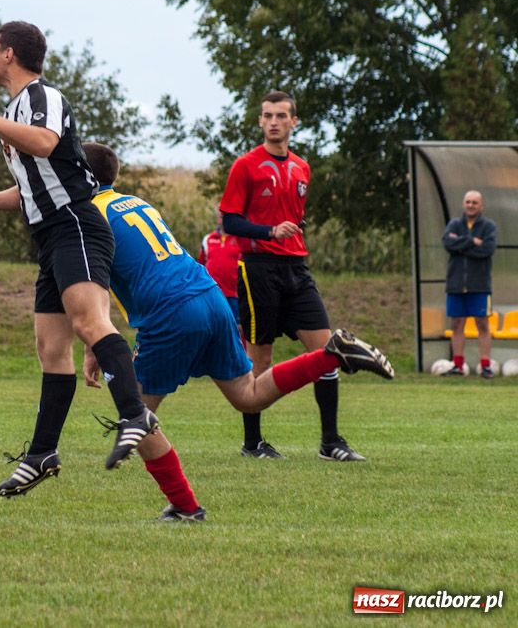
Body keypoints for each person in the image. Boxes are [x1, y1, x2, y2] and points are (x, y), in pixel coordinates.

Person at [80, 143, 394, 519]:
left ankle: (185, 505)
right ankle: (332, 353)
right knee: (248, 395)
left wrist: (93, 344)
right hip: (209, 294)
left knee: (137, 416)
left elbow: (92, 286)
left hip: (170, 310)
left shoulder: (86, 217)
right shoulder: (133, 202)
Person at [0, 21, 159, 496]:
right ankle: (42, 454)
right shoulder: (15, 109)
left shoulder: (44, 97)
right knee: (50, 349)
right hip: (50, 236)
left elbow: (44, 143)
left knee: (90, 324)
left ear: (7, 54)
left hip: (76, 226)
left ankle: (134, 413)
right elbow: (35, 184)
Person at [220, 90, 370, 462]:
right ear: (260, 121)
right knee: (260, 359)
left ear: (294, 122)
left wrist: (285, 234)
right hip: (257, 271)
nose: (273, 121)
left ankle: (331, 442)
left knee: (326, 353)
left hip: (296, 271)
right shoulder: (245, 165)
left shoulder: (302, 167)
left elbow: (293, 217)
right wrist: (269, 232)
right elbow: (231, 220)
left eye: (281, 116)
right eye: (267, 115)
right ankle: (253, 443)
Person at [442, 190, 497, 378]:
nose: (471, 205)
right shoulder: (454, 224)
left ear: (481, 206)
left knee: (482, 323)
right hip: (456, 285)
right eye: (468, 202)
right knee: (457, 324)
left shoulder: (489, 226)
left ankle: (486, 366)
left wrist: (460, 245)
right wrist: (472, 241)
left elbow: (487, 250)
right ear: (463, 204)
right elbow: (447, 243)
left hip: (480, 286)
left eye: (475, 202)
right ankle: (457, 365)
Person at [198, 211, 243, 325]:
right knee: (212, 327)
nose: (220, 214)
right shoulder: (208, 239)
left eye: (223, 212)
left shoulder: (241, 239)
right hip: (212, 294)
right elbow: (201, 266)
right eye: (219, 212)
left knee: (237, 330)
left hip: (234, 295)